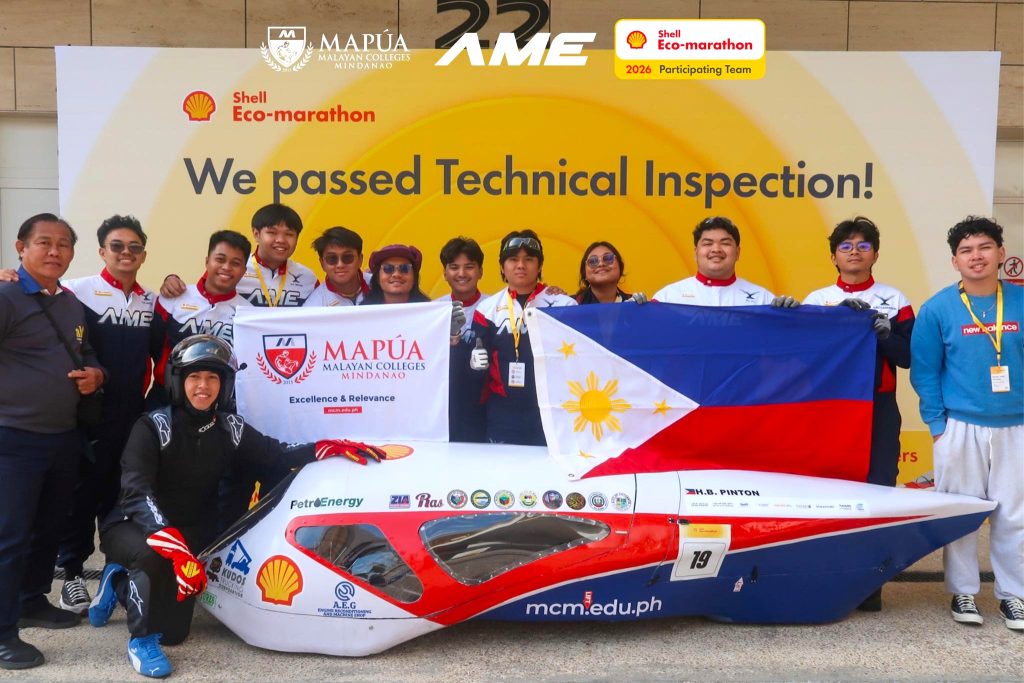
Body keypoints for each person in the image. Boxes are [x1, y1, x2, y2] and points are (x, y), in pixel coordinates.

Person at [88, 334, 386, 677]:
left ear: (224, 384)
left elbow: (277, 456)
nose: (203, 386)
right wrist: (175, 549)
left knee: (176, 633)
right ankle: (140, 640)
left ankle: (118, 582)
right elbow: (136, 493)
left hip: (188, 531)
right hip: (133, 525)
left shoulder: (230, 427)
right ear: (178, 381)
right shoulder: (151, 426)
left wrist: (326, 448)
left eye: (212, 378)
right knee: (153, 562)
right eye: (194, 377)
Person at [0, 214, 105, 670]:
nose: (54, 251)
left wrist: (96, 374)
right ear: (21, 248)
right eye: (44, 243)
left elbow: (85, 352)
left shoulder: (70, 304)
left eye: (63, 244)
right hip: (13, 439)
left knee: (48, 527)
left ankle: (32, 599)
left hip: (62, 437)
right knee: (10, 537)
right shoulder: (5, 296)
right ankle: (3, 634)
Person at [910, 217, 1023, 632]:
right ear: (955, 260)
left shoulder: (1020, 302)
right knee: (962, 512)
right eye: (967, 250)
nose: (977, 256)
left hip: (1017, 426)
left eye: (985, 247)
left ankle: (1014, 596)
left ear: (1001, 254)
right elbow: (924, 371)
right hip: (959, 426)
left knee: (1014, 516)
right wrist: (938, 425)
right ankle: (963, 591)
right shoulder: (938, 308)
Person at [804, 217, 914, 612]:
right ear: (833, 256)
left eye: (863, 245)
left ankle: (870, 584)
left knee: (878, 489)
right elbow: (804, 361)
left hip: (879, 408)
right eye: (846, 246)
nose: (854, 251)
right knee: (828, 491)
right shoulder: (817, 300)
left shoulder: (895, 298)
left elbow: (909, 356)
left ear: (876, 254)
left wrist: (883, 334)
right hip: (830, 410)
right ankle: (824, 576)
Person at [470, 230, 577, 445]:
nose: (521, 265)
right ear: (502, 266)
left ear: (539, 266)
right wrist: (473, 364)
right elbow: (478, 366)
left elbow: (577, 364)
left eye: (529, 259)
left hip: (551, 408)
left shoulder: (563, 305)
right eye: (513, 259)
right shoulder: (487, 309)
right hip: (502, 412)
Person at [149, 230, 250, 406]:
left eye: (235, 263)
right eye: (220, 259)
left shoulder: (247, 312)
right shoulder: (173, 298)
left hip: (218, 403)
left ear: (243, 270)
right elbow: (153, 344)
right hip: (166, 397)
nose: (226, 267)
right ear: (207, 261)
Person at [161, 203, 317, 307]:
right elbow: (204, 296)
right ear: (256, 234)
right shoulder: (234, 268)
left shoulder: (307, 277)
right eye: (272, 232)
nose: (281, 240)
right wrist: (171, 280)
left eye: (289, 234)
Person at [653, 216, 798, 307]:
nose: (716, 249)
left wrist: (791, 316)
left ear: (738, 253)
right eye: (708, 243)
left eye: (725, 243)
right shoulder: (667, 298)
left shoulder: (762, 299)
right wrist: (632, 309)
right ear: (696, 253)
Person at [437, 237, 487, 442]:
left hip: (483, 408)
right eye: (454, 267)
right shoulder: (434, 310)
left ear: (481, 271)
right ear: (445, 273)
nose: (462, 274)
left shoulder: (495, 307)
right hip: (447, 407)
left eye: (469, 267)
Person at [302, 226, 367, 307]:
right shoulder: (314, 305)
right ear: (322, 264)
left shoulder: (381, 285)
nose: (340, 265)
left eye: (347, 257)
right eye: (332, 259)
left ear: (360, 260)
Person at [574, 241, 645, 304]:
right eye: (593, 261)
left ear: (620, 267)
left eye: (608, 258)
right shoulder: (570, 305)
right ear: (584, 273)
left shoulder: (634, 303)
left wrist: (642, 309)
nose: (601, 264)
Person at [361, 244, 431, 305]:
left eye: (405, 268)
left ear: (414, 277)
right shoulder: (363, 313)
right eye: (388, 268)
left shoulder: (431, 312)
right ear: (377, 278)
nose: (396, 274)